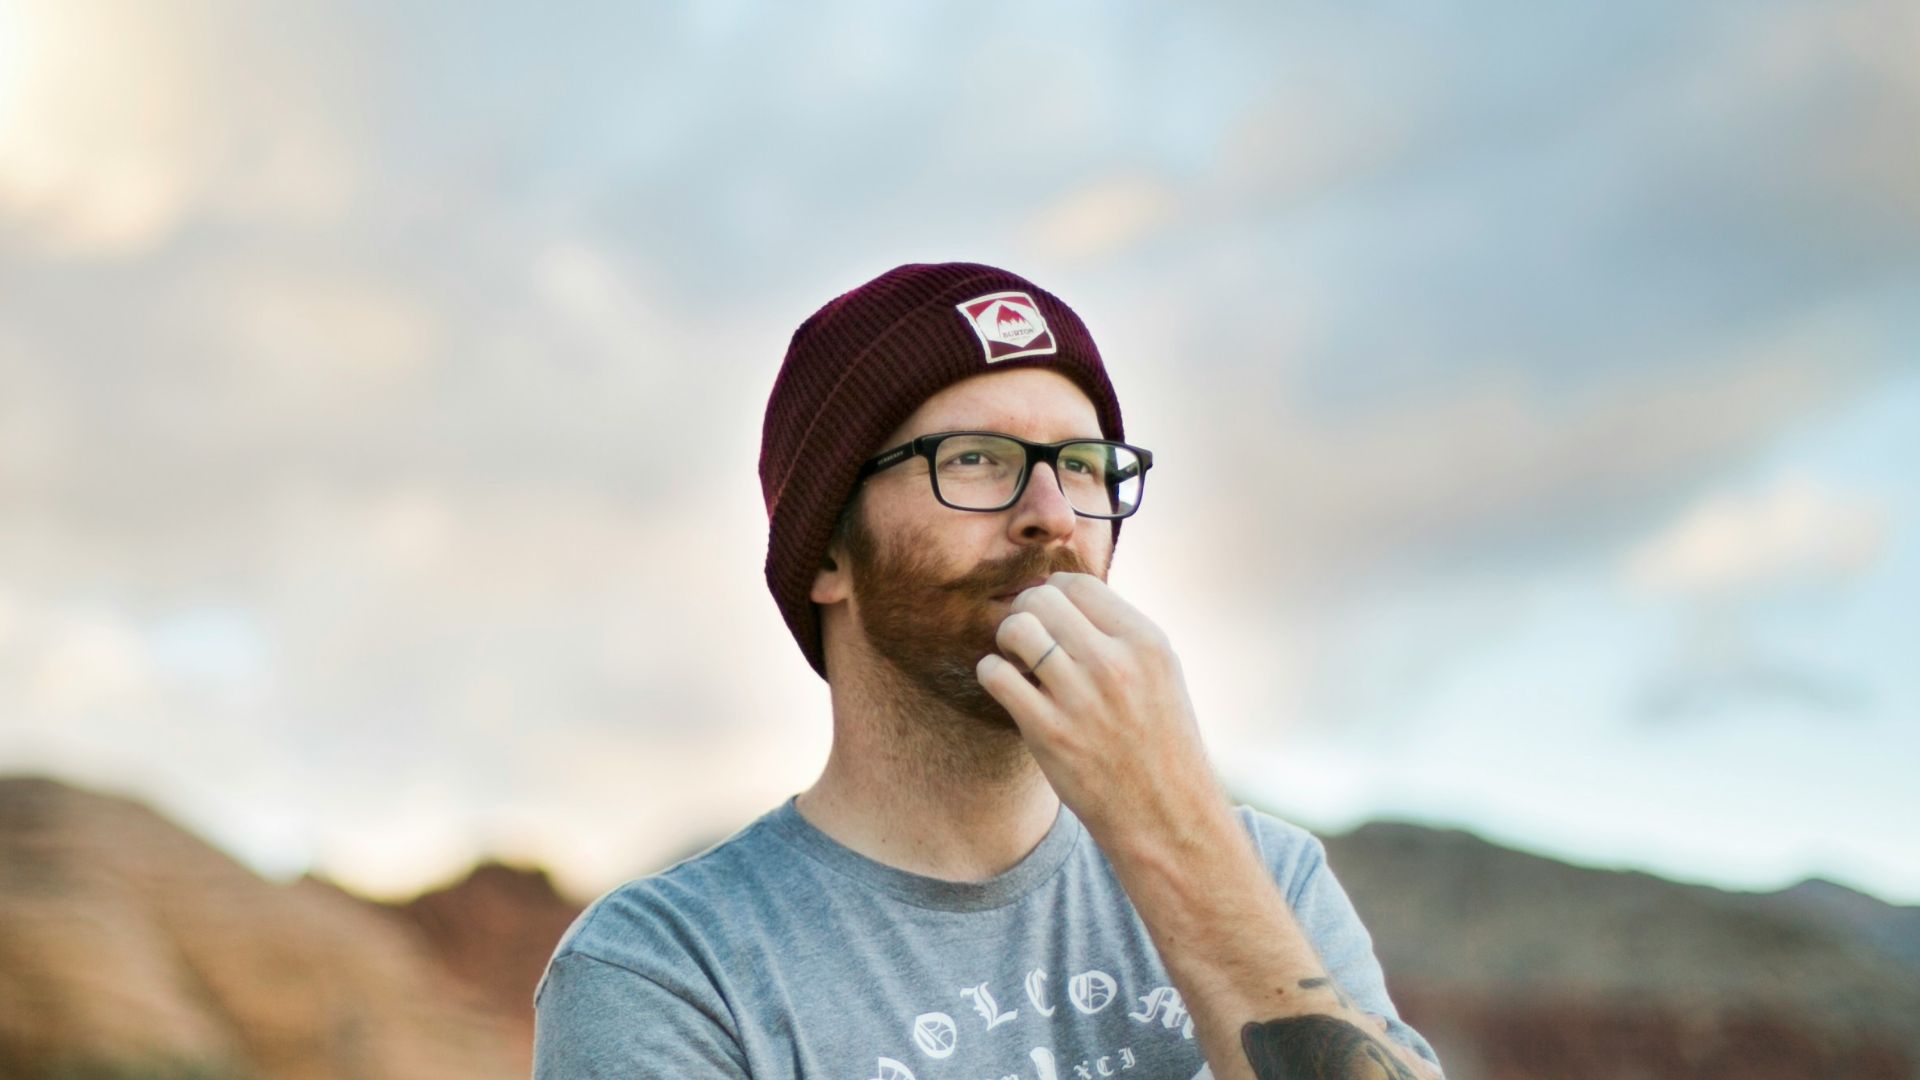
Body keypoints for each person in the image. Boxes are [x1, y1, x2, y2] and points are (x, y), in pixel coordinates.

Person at [532, 263, 1444, 1080]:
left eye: (1084, 467)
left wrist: (1179, 836)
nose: (1053, 516)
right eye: (975, 459)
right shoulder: (670, 969)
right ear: (826, 555)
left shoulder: (1267, 884)